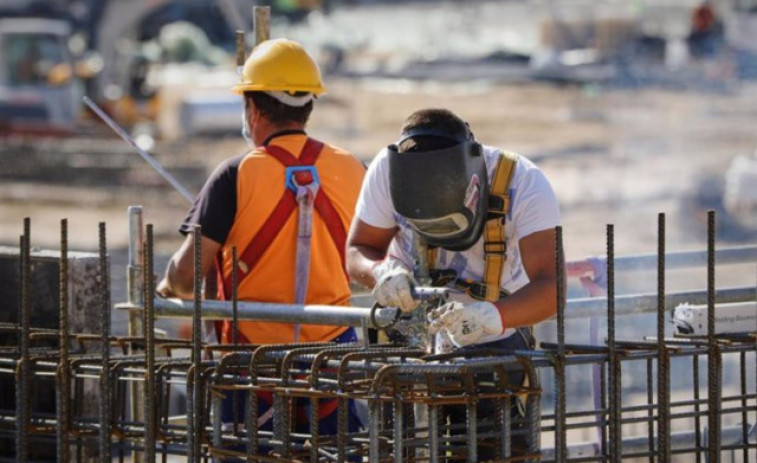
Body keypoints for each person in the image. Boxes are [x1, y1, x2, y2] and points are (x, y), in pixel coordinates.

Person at [156, 38, 365, 457]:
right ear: (309, 104)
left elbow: (185, 277)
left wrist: (167, 289)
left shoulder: (236, 174)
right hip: (334, 364)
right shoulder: (351, 168)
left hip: (255, 367)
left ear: (252, 110)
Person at [346, 108, 562, 458]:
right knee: (401, 452)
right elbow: (359, 248)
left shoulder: (522, 182)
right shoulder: (387, 171)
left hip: (494, 348)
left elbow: (552, 286)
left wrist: (489, 316)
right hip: (410, 344)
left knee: (491, 452)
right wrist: (381, 272)